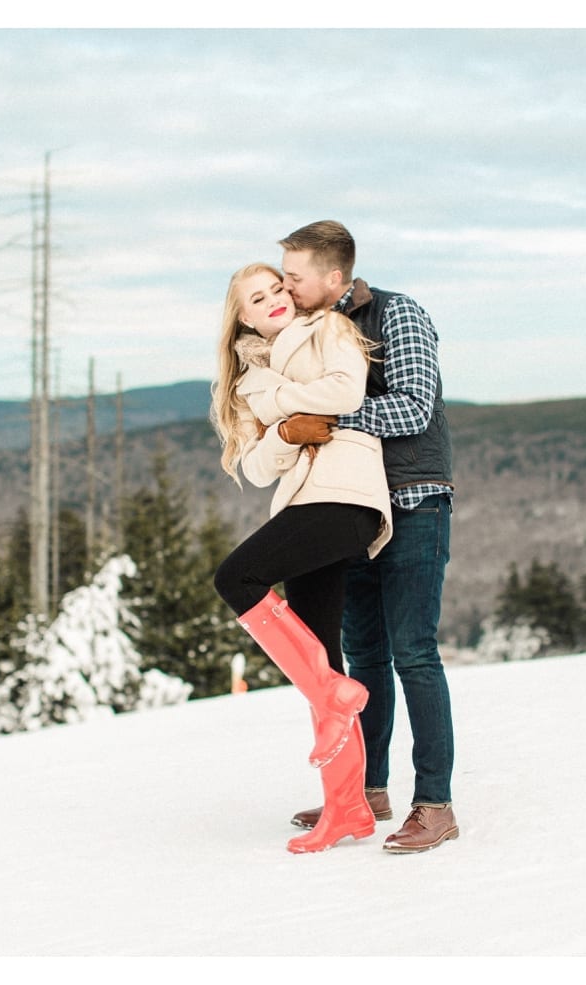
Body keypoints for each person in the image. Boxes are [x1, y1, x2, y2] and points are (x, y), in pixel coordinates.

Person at [277, 220, 459, 854]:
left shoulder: (396, 314)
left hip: (413, 501)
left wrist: (327, 418)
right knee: (364, 659)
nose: (286, 288)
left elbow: (413, 405)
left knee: (412, 652)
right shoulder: (309, 332)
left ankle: (435, 804)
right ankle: (368, 790)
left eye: (295, 277)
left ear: (334, 277)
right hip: (354, 510)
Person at [211, 261, 393, 855]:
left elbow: (346, 393)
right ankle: (348, 809)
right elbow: (258, 467)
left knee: (236, 575)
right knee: (324, 660)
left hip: (346, 495)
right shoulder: (246, 381)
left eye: (276, 289)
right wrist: (288, 434)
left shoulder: (329, 330)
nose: (272, 301)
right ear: (242, 316)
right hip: (302, 499)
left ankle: (334, 695)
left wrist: (283, 409)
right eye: (256, 299)